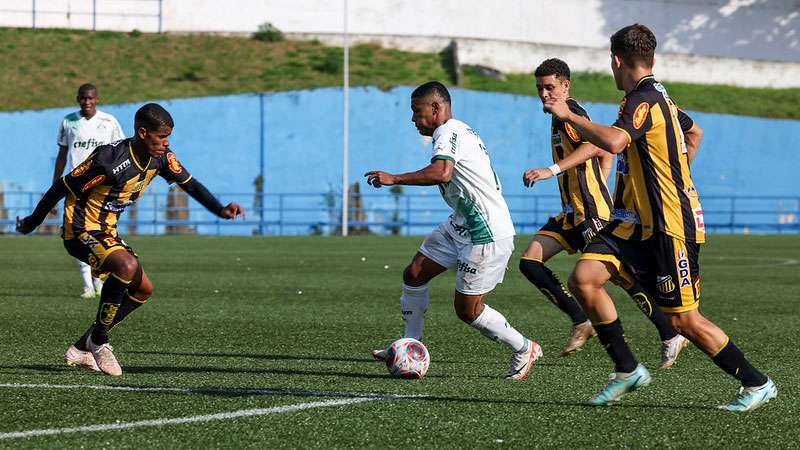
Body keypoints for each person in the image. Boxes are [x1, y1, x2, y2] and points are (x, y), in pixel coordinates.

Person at [543, 24, 776, 411]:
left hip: (671, 225)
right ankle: (627, 369)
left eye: (611, 63)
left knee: (684, 321)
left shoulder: (643, 100)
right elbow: (695, 132)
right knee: (584, 278)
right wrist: (678, 173)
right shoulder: (659, 99)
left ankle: (756, 383)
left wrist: (569, 114)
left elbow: (616, 142)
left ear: (617, 61)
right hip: (633, 223)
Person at [17, 103, 245, 376]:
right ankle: (99, 341)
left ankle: (81, 348)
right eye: (161, 137)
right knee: (125, 267)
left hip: (107, 231)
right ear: (142, 132)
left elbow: (190, 184)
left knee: (143, 289)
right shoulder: (109, 161)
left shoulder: (161, 158)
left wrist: (220, 209)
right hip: (81, 231)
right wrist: (33, 221)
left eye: (167, 137)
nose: (166, 143)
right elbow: (61, 187)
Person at [365, 81, 542, 381]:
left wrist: (394, 177)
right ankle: (411, 345)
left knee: (468, 311)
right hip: (462, 222)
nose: (413, 119)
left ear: (435, 108)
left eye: (416, 111)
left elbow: (441, 172)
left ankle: (524, 347)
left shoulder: (448, 132)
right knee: (415, 273)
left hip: (485, 232)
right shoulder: (456, 131)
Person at [519, 58, 690, 369]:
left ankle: (670, 333)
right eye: (540, 89)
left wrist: (551, 169)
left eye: (550, 87)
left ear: (565, 86)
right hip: (571, 213)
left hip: (591, 212)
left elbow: (597, 147)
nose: (544, 94)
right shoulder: (558, 117)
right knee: (530, 262)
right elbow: (602, 155)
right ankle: (580, 319)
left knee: (623, 278)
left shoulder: (572, 113)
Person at [54, 83, 126, 299]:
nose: (87, 102)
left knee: (101, 232)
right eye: (83, 98)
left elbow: (120, 152)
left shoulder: (109, 121)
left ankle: (100, 280)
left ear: (97, 99)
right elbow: (62, 154)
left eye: (90, 98)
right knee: (76, 235)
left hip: (101, 188)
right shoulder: (68, 121)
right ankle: (87, 285)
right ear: (78, 99)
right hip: (75, 186)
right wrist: (55, 182)